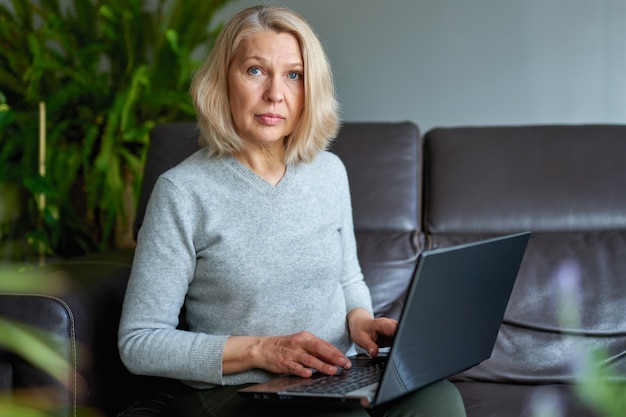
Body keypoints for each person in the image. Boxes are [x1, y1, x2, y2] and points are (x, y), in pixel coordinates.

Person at [118, 5, 467, 417]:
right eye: (255, 70)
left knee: (439, 399)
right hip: (239, 391)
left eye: (294, 75)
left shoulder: (329, 172)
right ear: (222, 80)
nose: (275, 94)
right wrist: (264, 351)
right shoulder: (182, 191)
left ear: (309, 89)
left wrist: (360, 322)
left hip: (334, 376)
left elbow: (348, 277)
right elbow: (139, 342)